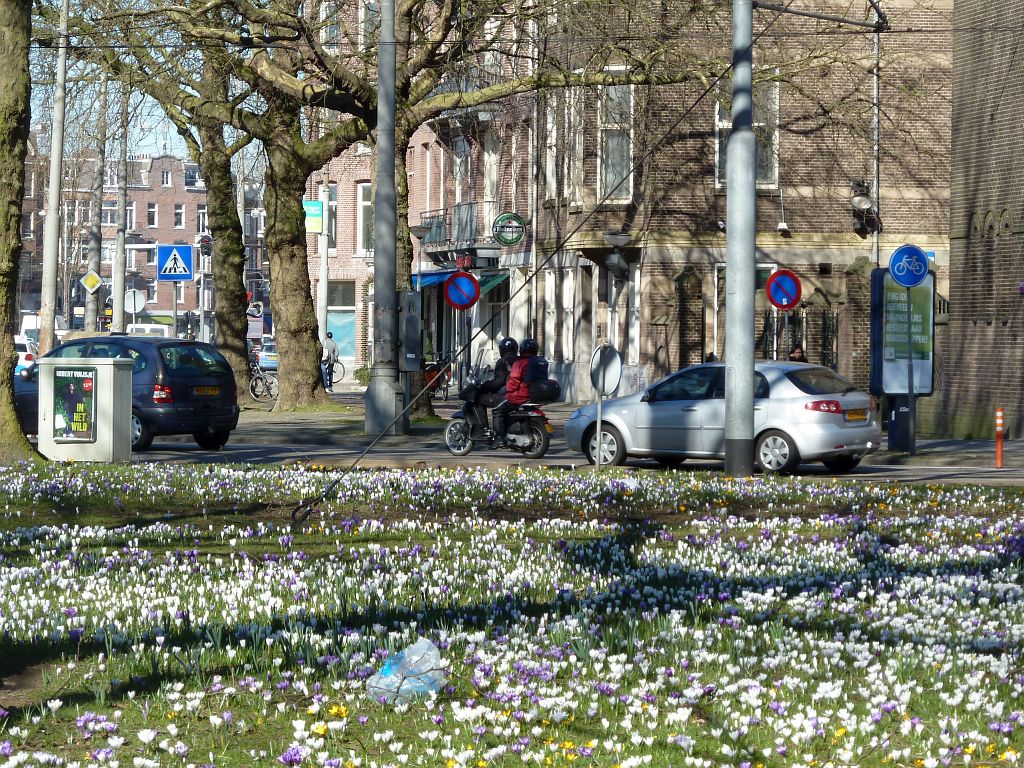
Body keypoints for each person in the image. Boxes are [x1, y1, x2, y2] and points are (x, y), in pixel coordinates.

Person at [491, 338, 539, 447]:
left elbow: (513, 380)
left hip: (520, 393)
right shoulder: (538, 362)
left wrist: (507, 390)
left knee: (497, 410)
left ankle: (499, 438)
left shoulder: (516, 363)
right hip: (534, 393)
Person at [470, 338, 519, 439]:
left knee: (478, 399)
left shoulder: (502, 362)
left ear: (501, 350)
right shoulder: (520, 361)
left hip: (507, 395)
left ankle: (485, 430)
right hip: (519, 393)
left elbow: (498, 382)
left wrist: (484, 386)